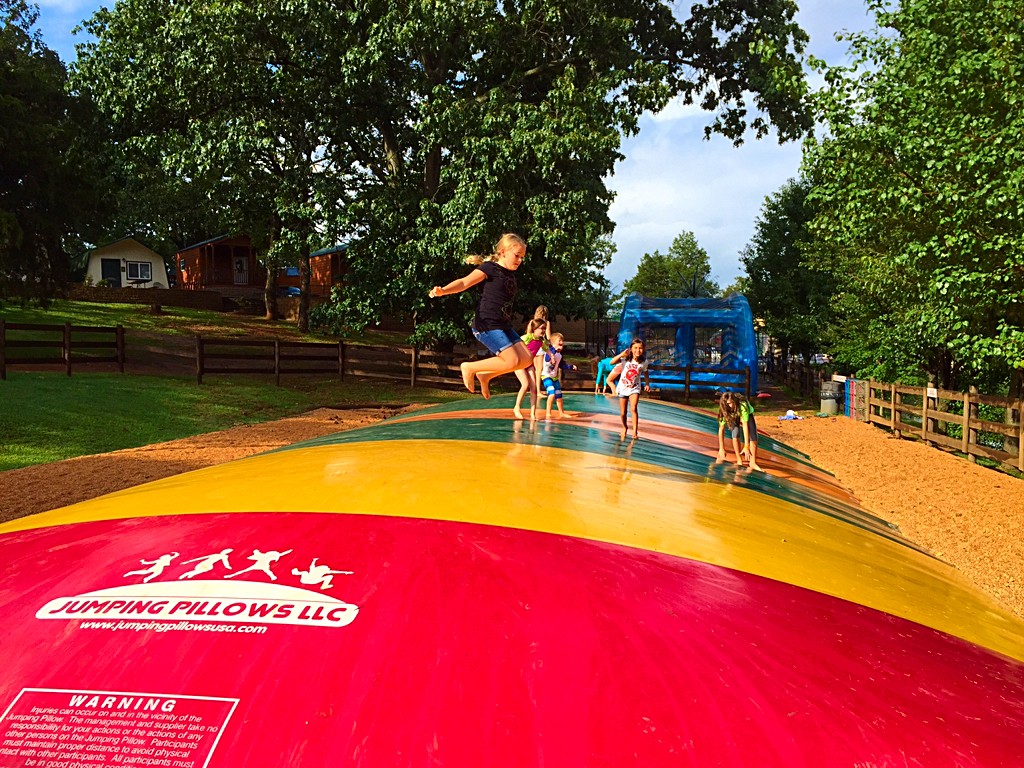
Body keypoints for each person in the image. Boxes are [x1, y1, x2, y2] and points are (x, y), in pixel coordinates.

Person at [429, 234, 534, 398]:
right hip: (486, 325)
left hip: (503, 325)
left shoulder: (510, 274)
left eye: (522, 257)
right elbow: (464, 282)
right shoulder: (489, 268)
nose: (520, 260)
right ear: (503, 251)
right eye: (517, 256)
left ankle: (485, 375)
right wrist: (443, 291)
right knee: (513, 360)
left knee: (527, 359)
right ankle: (469, 368)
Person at [717, 391, 765, 471]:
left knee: (753, 435)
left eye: (732, 402)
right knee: (735, 434)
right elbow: (721, 429)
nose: (731, 405)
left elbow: (745, 426)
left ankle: (752, 462)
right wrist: (721, 448)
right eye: (728, 404)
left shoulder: (742, 405)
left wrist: (746, 446)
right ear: (725, 405)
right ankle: (739, 460)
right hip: (733, 415)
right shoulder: (724, 411)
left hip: (745, 413)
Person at [611, 338, 649, 439]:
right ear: (631, 349)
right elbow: (611, 362)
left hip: (634, 388)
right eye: (635, 348)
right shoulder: (626, 359)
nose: (638, 350)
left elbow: (645, 372)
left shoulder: (644, 362)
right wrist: (621, 354)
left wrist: (647, 384)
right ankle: (624, 427)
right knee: (623, 412)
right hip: (623, 387)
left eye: (640, 348)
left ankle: (635, 432)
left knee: (633, 408)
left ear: (643, 349)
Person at [513, 318, 548, 419]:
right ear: (535, 329)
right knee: (525, 384)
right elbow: (516, 344)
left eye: (545, 328)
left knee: (534, 388)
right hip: (519, 364)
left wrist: (552, 356)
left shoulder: (541, 341)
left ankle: (532, 414)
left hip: (529, 364)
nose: (543, 331)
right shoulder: (528, 337)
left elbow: (546, 349)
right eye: (541, 328)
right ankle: (516, 407)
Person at [540, 332, 577, 419]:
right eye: (559, 340)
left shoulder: (559, 355)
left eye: (562, 341)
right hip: (546, 376)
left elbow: (562, 365)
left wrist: (571, 366)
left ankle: (561, 412)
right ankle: (548, 413)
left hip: (554, 377)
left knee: (559, 395)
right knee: (551, 393)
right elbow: (547, 358)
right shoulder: (550, 352)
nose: (561, 342)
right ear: (553, 343)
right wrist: (555, 350)